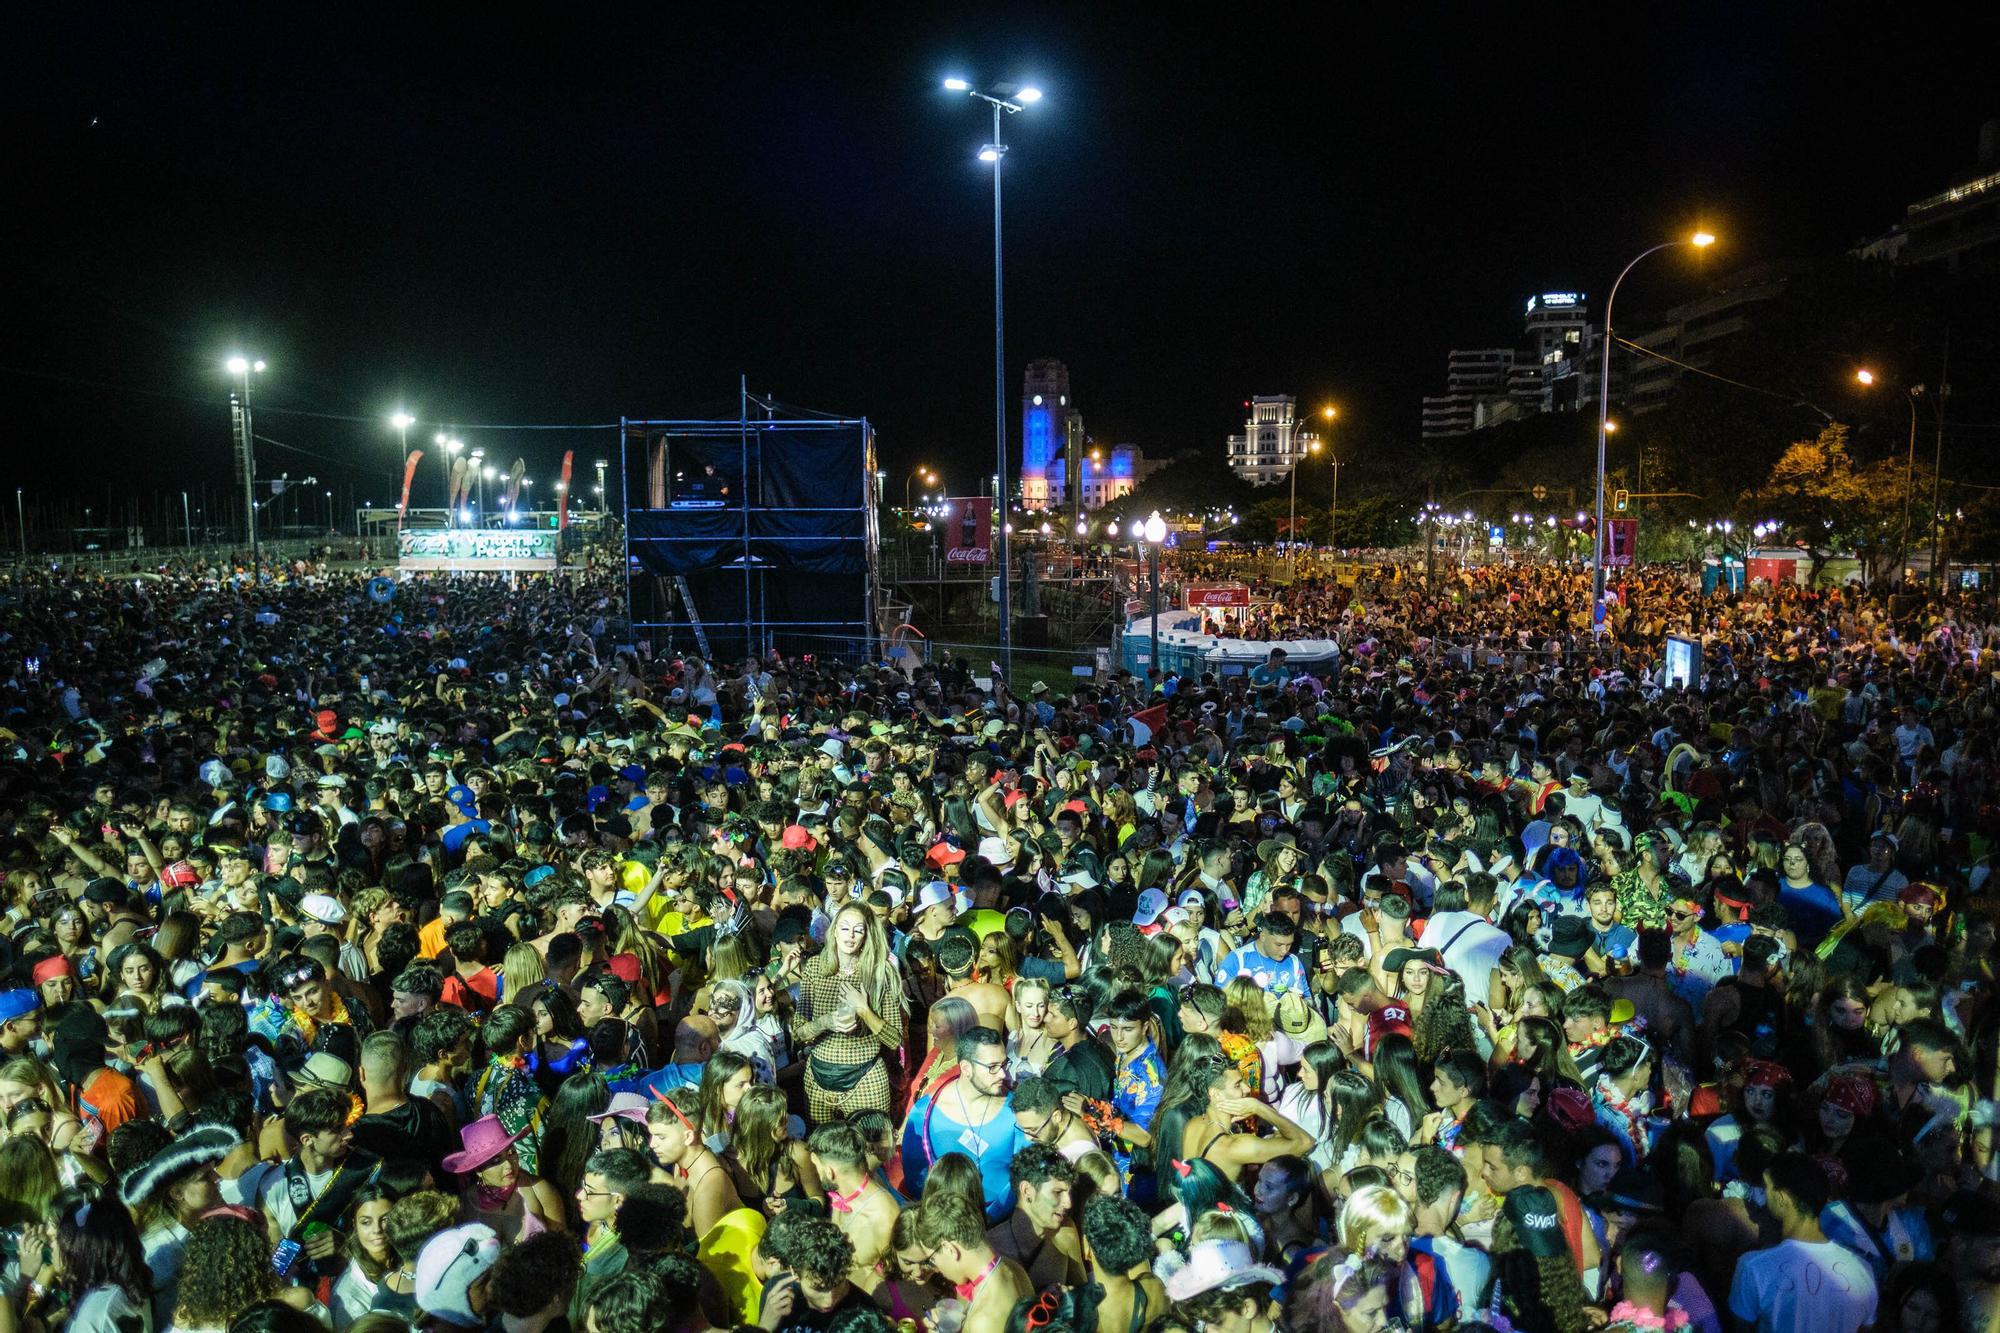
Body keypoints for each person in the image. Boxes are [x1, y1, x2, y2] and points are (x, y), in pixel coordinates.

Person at [1728, 1152, 1878, 1333]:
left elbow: (1741, 1328)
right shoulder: (1863, 1271)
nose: (1764, 1194)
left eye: (1766, 1187)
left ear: (1781, 1198)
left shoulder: (1753, 1267)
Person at [901, 1026, 1032, 1221]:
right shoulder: (925, 1111)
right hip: (945, 1221)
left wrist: (991, 1217)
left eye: (1004, 1064)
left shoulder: (1016, 1110)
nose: (1003, 1074)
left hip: (1001, 1223)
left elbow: (1024, 1171)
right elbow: (915, 1178)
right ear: (966, 1068)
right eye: (992, 1067)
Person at [909, 1193, 1034, 1333]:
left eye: (931, 1259)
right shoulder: (1013, 1267)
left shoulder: (983, 1321)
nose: (936, 1269)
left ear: (950, 1249)